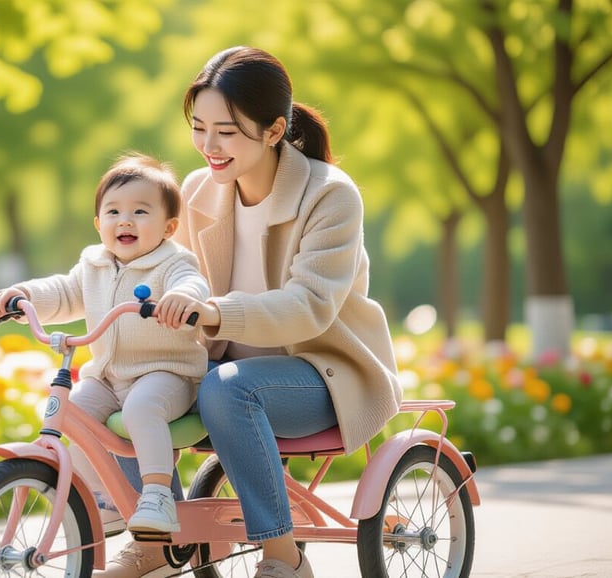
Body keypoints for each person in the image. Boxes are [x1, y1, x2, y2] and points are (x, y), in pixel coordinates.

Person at [101, 46, 402, 578]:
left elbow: (310, 307)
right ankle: (155, 540)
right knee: (121, 383)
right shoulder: (195, 191)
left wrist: (212, 313)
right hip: (220, 367)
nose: (209, 147)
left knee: (229, 388)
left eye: (227, 131)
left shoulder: (330, 196)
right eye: (199, 128)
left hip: (320, 372)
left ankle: (284, 557)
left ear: (273, 130)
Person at [0, 152, 210, 539]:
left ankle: (157, 494)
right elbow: (64, 291)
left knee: (142, 408)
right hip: (109, 377)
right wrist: (24, 295)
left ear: (169, 226)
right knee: (76, 414)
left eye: (141, 212)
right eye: (113, 212)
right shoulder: (94, 264)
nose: (124, 220)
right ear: (98, 223)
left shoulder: (173, 262)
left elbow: (192, 283)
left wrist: (182, 299)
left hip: (166, 373)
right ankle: (103, 496)